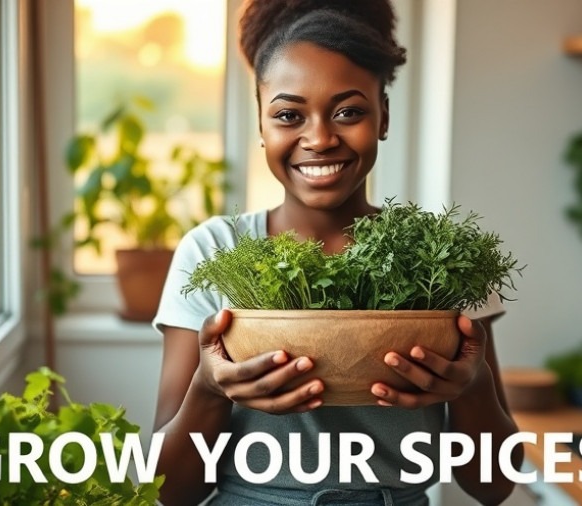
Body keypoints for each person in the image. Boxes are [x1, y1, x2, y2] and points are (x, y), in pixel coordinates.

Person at [151, 1, 522, 504]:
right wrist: (210, 389)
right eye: (288, 114)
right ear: (262, 125)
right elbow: (167, 491)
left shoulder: (444, 257)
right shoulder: (215, 250)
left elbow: (496, 486)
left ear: (383, 117)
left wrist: (473, 385)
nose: (320, 138)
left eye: (348, 111)